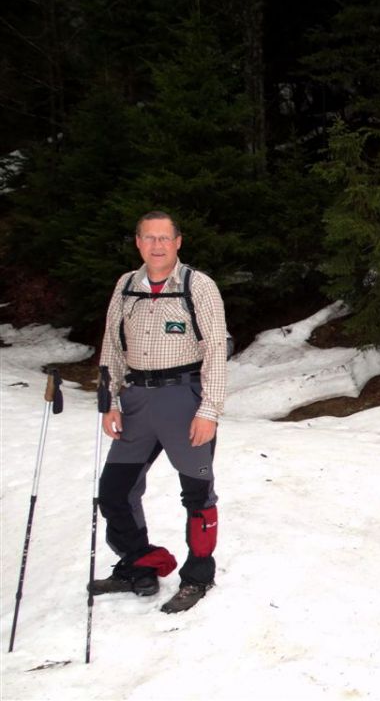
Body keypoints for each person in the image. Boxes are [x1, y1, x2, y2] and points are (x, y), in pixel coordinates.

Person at [89, 210, 228, 613]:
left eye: (164, 238)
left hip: (183, 399)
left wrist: (210, 409)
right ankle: (141, 564)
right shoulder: (126, 286)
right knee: (115, 492)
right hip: (136, 400)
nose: (157, 245)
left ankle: (198, 576)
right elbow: (112, 348)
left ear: (178, 242)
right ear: (137, 242)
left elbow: (216, 350)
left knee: (197, 494)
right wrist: (110, 401)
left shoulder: (197, 286)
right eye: (149, 238)